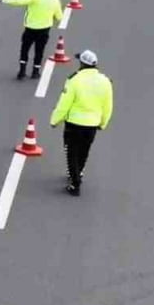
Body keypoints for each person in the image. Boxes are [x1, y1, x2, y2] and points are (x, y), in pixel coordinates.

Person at [50, 50, 114, 196]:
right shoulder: (105, 81)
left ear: (82, 64)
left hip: (74, 123)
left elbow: (64, 103)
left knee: (71, 152)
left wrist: (55, 120)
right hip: (92, 125)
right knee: (84, 151)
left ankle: (75, 182)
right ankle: (78, 173)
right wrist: (103, 123)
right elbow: (108, 106)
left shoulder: (74, 80)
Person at [0, 0, 64, 79]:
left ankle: (22, 71)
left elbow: (19, 0)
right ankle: (35, 72)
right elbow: (59, 17)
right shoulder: (55, 0)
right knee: (39, 51)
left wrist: (4, 0)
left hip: (30, 29)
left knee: (25, 49)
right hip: (44, 30)